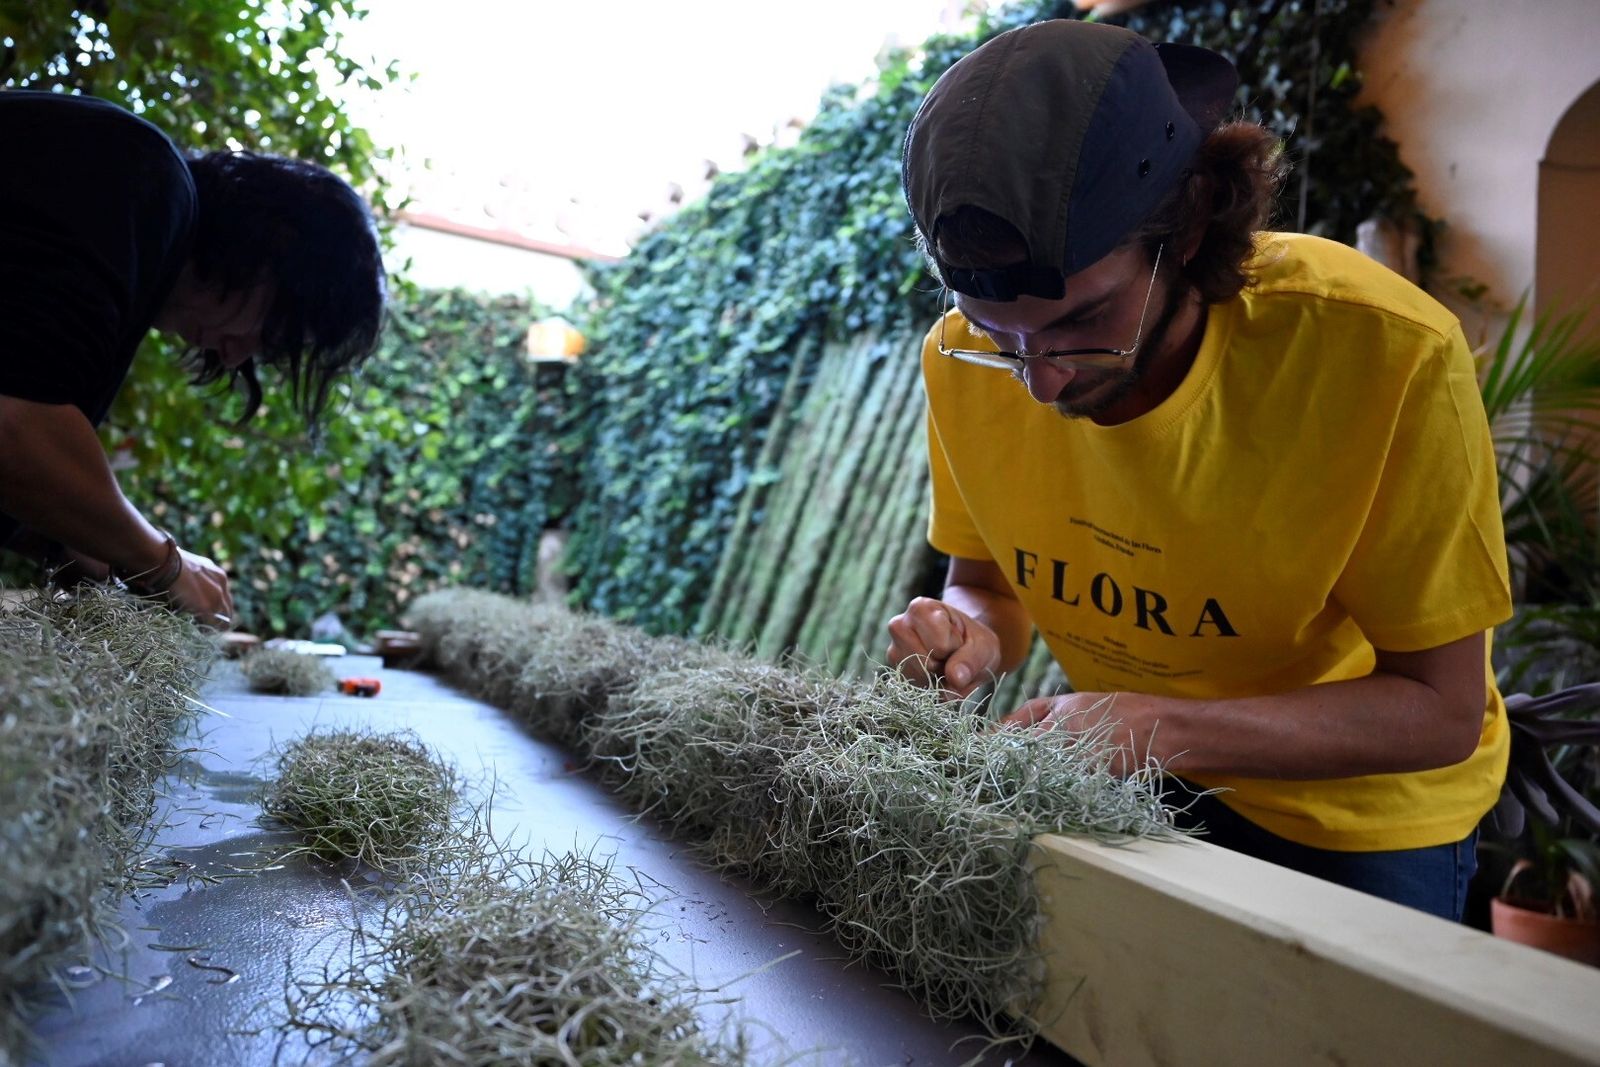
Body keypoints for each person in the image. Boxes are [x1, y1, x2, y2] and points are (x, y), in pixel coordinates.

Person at [886, 19, 1512, 921]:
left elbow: (1440, 710)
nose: (1043, 379)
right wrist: (967, 634)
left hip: (1359, 812)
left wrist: (1164, 728)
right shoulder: (956, 359)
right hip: (1138, 763)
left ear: (1186, 229)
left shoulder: (1381, 350)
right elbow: (989, 586)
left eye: (1082, 322)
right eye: (998, 333)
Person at [0, 91, 385, 626]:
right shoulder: (144, 179)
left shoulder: (139, 240)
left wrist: (68, 536)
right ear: (269, 253)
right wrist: (164, 563)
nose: (233, 355)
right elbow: (16, 428)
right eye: (268, 333)